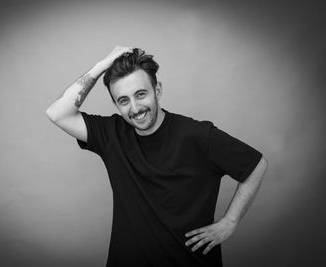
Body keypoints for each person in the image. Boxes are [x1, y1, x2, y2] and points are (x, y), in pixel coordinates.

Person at [46, 46, 268, 267]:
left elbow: (256, 165)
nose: (135, 108)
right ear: (116, 105)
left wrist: (230, 221)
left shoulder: (198, 135)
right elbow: (57, 113)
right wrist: (101, 66)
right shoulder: (111, 134)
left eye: (140, 94)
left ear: (157, 90)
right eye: (123, 100)